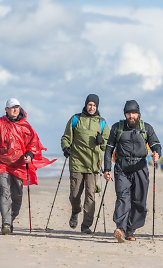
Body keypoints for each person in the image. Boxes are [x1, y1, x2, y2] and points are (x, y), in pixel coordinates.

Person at [0, 98, 55, 235]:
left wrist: (29, 155)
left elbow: (33, 144)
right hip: (2, 164)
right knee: (5, 193)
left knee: (17, 197)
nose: (15, 109)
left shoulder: (25, 125)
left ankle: (10, 219)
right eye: (12, 107)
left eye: (17, 107)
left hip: (19, 165)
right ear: (6, 109)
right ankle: (5, 223)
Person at [103, 100, 161, 242]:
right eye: (128, 113)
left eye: (134, 113)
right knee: (123, 197)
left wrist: (156, 153)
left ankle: (131, 229)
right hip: (122, 168)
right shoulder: (117, 128)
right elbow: (109, 149)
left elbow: (156, 144)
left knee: (139, 201)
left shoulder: (146, 128)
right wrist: (107, 169)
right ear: (125, 114)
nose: (131, 116)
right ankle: (120, 229)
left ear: (138, 114)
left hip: (140, 167)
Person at [61, 94, 110, 234]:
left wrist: (102, 141)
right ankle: (75, 210)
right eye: (90, 104)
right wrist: (66, 147)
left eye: (94, 105)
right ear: (86, 105)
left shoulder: (101, 122)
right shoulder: (76, 119)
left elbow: (107, 145)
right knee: (75, 194)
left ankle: (86, 225)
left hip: (93, 165)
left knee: (90, 196)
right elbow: (66, 137)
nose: (91, 107)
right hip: (76, 161)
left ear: (97, 107)